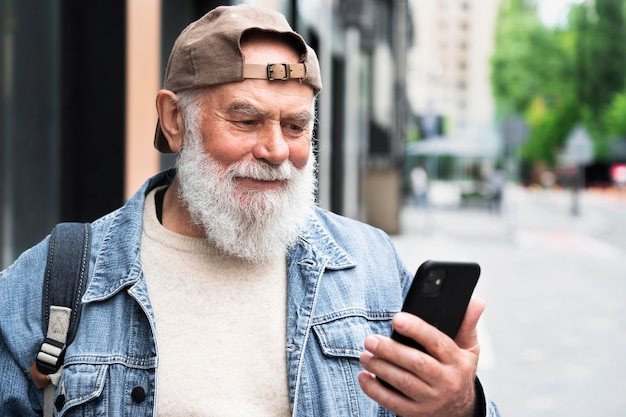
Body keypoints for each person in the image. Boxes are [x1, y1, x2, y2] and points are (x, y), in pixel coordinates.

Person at [0, 5, 500, 416]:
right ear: (175, 121)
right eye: (246, 119)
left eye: (296, 126)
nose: (276, 150)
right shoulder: (55, 280)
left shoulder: (372, 267)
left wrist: (462, 406)